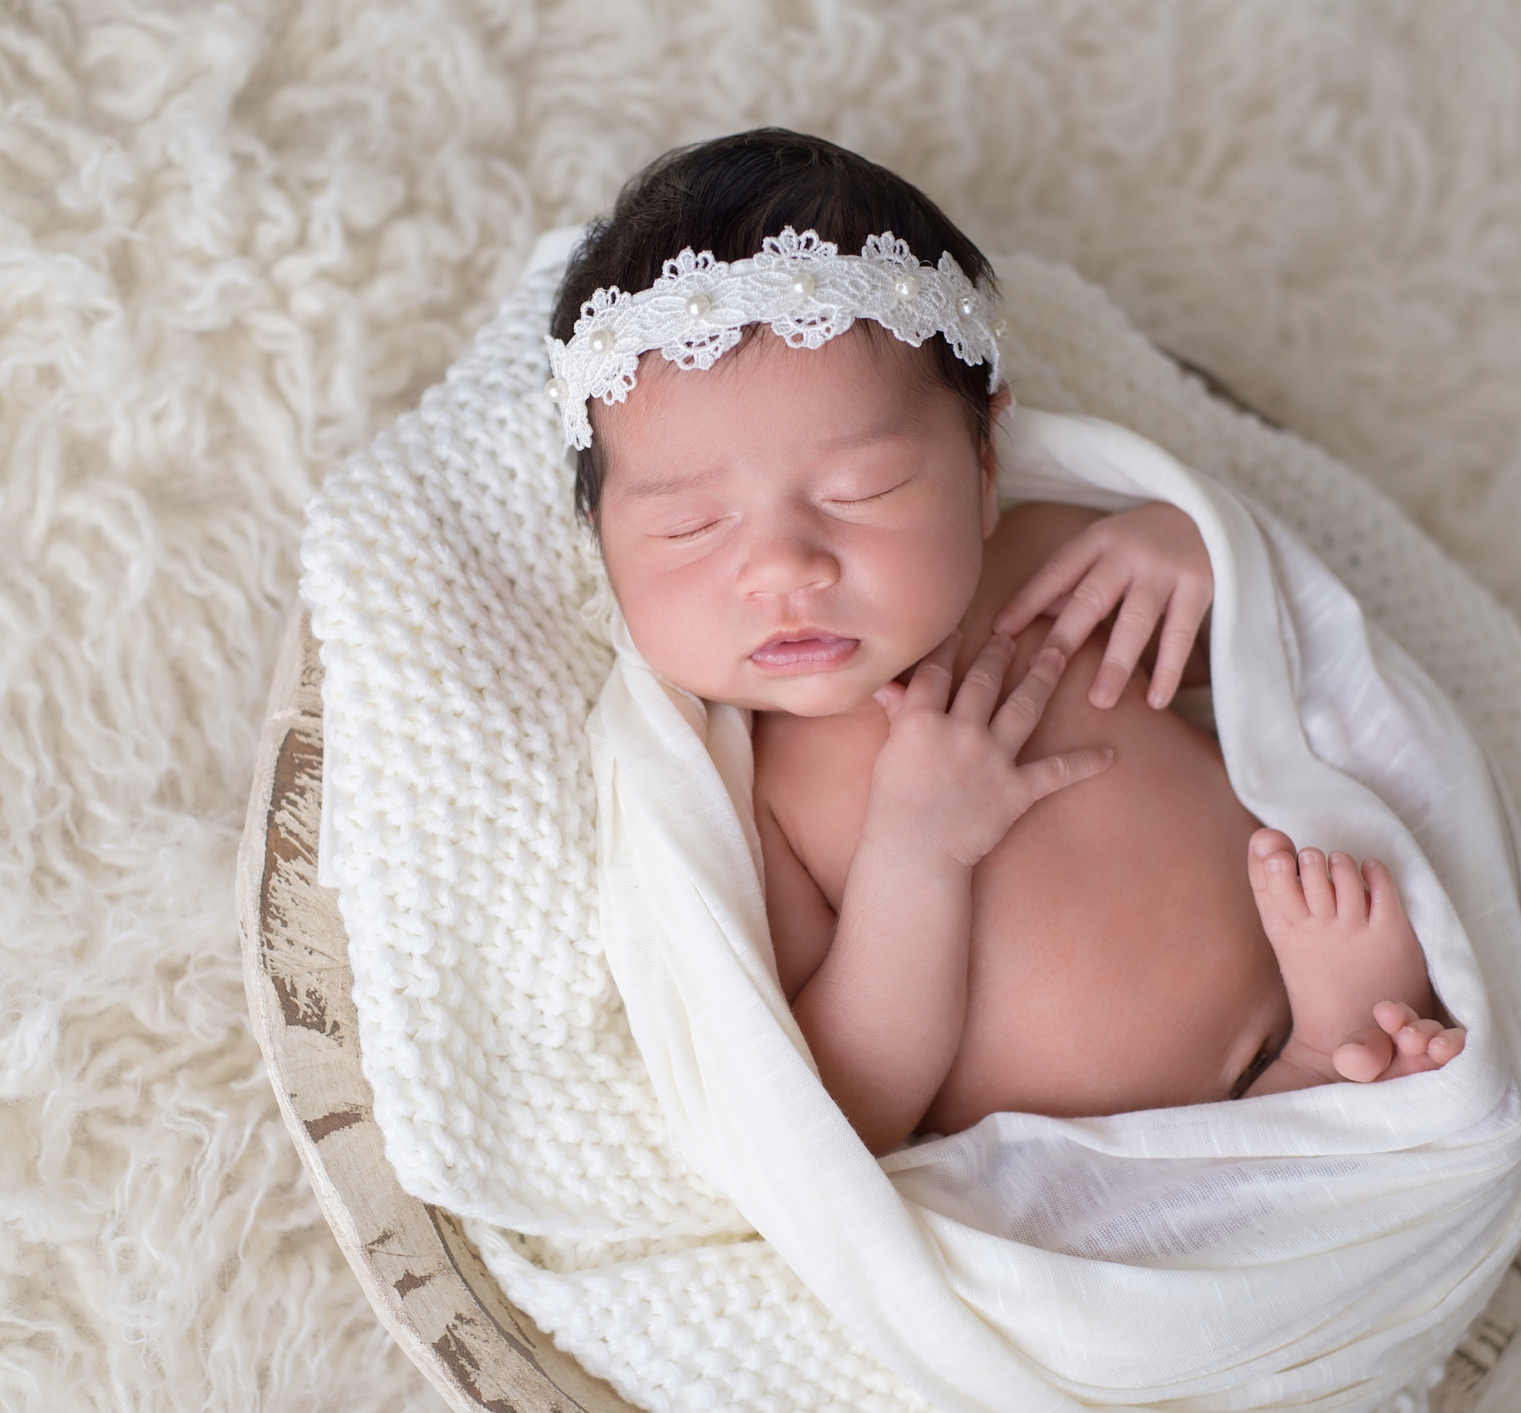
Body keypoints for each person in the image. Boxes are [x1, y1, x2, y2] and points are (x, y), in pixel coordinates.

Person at [549, 129, 1464, 1155]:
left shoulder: (1046, 566)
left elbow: (1283, 688)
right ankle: (1324, 1077)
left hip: (1290, 996)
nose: (784, 568)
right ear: (603, 542)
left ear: (983, 467)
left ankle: (1336, 1042)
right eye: (689, 528)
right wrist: (914, 849)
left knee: (1365, 894)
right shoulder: (752, 794)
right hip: (1078, 1166)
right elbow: (849, 1104)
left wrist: (1200, 558)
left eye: (864, 491)